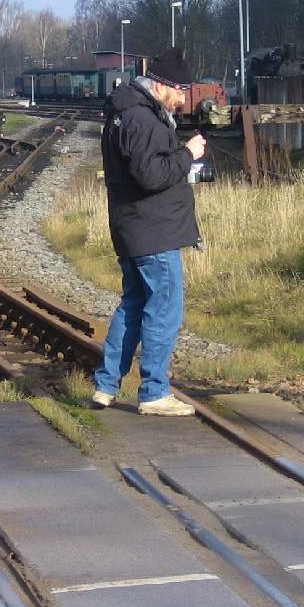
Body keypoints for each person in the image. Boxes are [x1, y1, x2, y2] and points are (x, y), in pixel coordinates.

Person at [90, 48, 207, 417]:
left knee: (134, 306)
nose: (183, 98)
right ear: (160, 87)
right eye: (180, 90)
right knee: (165, 309)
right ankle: (154, 391)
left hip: (134, 228)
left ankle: (106, 385)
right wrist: (188, 154)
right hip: (153, 233)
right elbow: (150, 175)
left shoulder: (126, 115)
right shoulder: (142, 120)